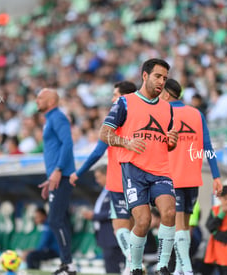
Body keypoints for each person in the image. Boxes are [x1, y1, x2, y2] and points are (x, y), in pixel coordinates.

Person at [99, 58, 179, 275]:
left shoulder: (167, 109)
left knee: (170, 212)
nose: (161, 81)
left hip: (161, 170)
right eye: (157, 76)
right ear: (145, 76)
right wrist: (126, 142)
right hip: (133, 170)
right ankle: (134, 267)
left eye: (165, 78)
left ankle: (163, 267)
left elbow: (167, 144)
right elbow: (104, 134)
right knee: (142, 221)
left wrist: (172, 142)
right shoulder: (125, 102)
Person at [69, 80, 137, 275]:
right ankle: (133, 265)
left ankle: (133, 264)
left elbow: (97, 152)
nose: (112, 99)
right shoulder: (141, 119)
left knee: (121, 228)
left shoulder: (114, 122)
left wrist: (78, 173)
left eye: (115, 95)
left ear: (124, 97)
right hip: (141, 180)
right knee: (136, 226)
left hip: (119, 180)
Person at [159, 78, 223, 275]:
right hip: (193, 179)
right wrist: (216, 176)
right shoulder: (196, 114)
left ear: (167, 94)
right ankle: (180, 268)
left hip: (172, 179)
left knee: (178, 226)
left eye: (161, 92)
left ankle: (186, 269)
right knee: (185, 226)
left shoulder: (163, 113)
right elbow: (208, 146)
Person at [36, 88, 77, 275]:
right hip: (57, 176)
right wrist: (50, 177)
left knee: (55, 220)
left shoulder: (58, 117)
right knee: (56, 220)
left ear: (51, 101)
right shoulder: (50, 119)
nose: (37, 100)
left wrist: (58, 170)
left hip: (63, 175)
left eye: (40, 97)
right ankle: (66, 264)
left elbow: (68, 143)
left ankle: (68, 264)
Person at [81, 164, 125, 274]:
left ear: (107, 175)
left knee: (114, 266)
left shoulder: (115, 190)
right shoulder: (104, 191)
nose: (97, 180)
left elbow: (115, 210)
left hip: (112, 235)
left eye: (99, 177)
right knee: (110, 266)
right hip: (104, 236)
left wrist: (94, 216)